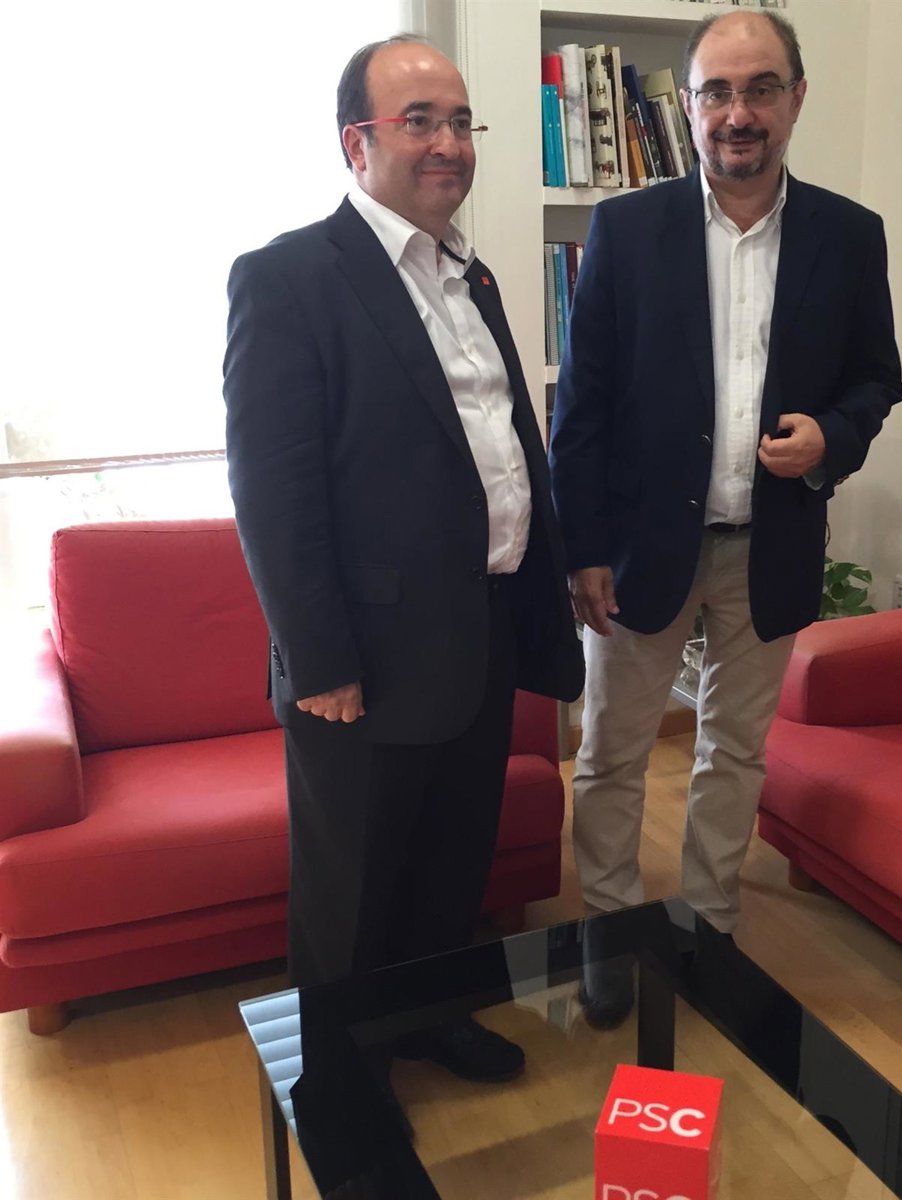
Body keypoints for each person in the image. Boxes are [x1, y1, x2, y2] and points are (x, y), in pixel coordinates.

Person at [224, 35, 583, 1081]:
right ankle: (338, 1083)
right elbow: (273, 493)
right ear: (357, 143)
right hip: (364, 666)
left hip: (480, 634)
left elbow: (503, 444)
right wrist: (320, 658)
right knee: (350, 892)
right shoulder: (290, 279)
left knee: (450, 864)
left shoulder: (473, 274)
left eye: (461, 122)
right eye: (419, 120)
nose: (448, 143)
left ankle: (432, 1020)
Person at [549, 10, 902, 1026]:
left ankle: (709, 926)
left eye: (760, 89)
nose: (737, 113)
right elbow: (583, 406)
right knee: (612, 752)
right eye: (717, 92)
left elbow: (876, 379)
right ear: (692, 103)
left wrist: (833, 436)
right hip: (640, 549)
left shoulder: (849, 234)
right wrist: (583, 549)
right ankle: (610, 929)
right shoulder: (626, 230)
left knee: (734, 752)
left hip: (772, 543)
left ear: (796, 98)